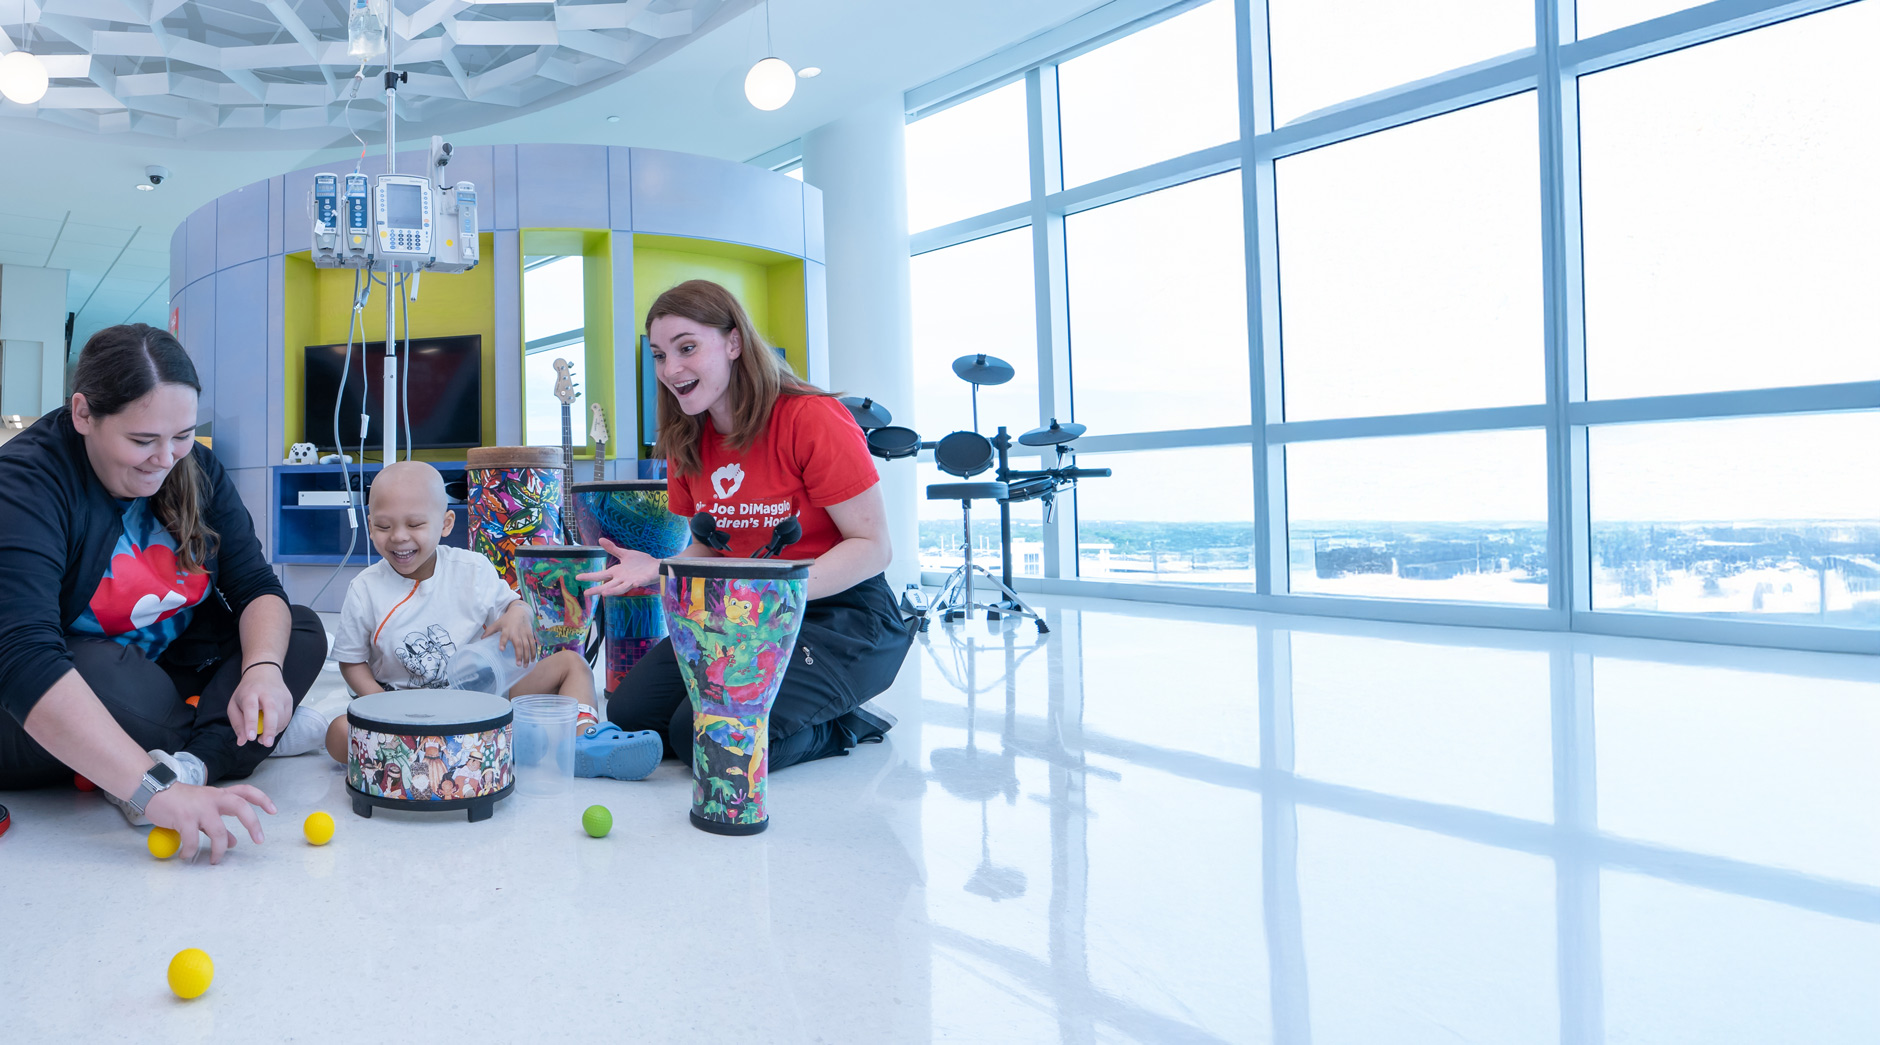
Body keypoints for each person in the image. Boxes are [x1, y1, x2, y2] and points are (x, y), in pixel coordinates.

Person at [0, 324, 328, 863]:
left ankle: (195, 760)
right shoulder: (28, 482)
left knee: (296, 628)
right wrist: (157, 794)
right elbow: (24, 659)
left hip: (170, 665)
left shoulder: (191, 464)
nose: (166, 458)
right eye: (142, 440)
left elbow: (256, 587)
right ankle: (228, 743)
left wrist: (262, 670)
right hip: (68, 685)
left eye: (182, 435)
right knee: (106, 678)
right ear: (83, 414)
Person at [581, 279, 916, 770]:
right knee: (632, 712)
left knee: (703, 740)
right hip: (744, 613)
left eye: (687, 347)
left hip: (840, 616)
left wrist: (773, 594)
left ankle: (843, 722)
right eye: (659, 355)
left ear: (734, 342)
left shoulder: (811, 418)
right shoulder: (685, 438)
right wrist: (659, 566)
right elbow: (708, 549)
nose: (671, 369)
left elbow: (872, 547)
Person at [323, 461, 615, 763]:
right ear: (371, 525)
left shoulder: (471, 570)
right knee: (338, 734)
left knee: (572, 663)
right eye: (384, 526)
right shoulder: (365, 589)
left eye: (414, 525)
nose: (398, 537)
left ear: (446, 523)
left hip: (482, 699)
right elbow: (351, 662)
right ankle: (483, 749)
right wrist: (381, 706)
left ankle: (583, 743)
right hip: (404, 711)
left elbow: (515, 606)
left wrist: (518, 613)